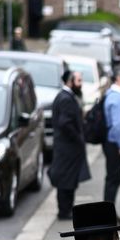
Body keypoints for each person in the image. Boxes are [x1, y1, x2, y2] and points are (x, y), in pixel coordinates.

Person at [47, 69, 90, 219]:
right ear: (70, 81)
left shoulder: (66, 96)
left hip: (67, 147)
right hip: (67, 148)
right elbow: (65, 123)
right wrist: (78, 138)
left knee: (68, 180)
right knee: (66, 181)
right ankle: (64, 211)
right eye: (78, 81)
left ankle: (66, 210)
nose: (80, 84)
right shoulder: (66, 98)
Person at [102, 69, 120, 205]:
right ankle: (108, 213)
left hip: (112, 142)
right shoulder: (117, 97)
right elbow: (117, 124)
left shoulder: (112, 94)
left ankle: (108, 211)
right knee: (113, 179)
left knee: (112, 179)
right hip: (115, 144)